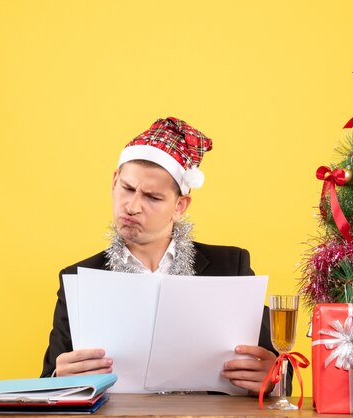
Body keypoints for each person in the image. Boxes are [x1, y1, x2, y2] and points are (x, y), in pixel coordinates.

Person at [41, 117, 288, 396]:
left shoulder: (230, 267)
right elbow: (48, 380)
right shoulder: (78, 278)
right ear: (114, 181)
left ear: (180, 206)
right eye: (127, 188)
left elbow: (276, 368)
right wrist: (57, 378)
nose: (132, 207)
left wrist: (275, 375)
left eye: (152, 197)